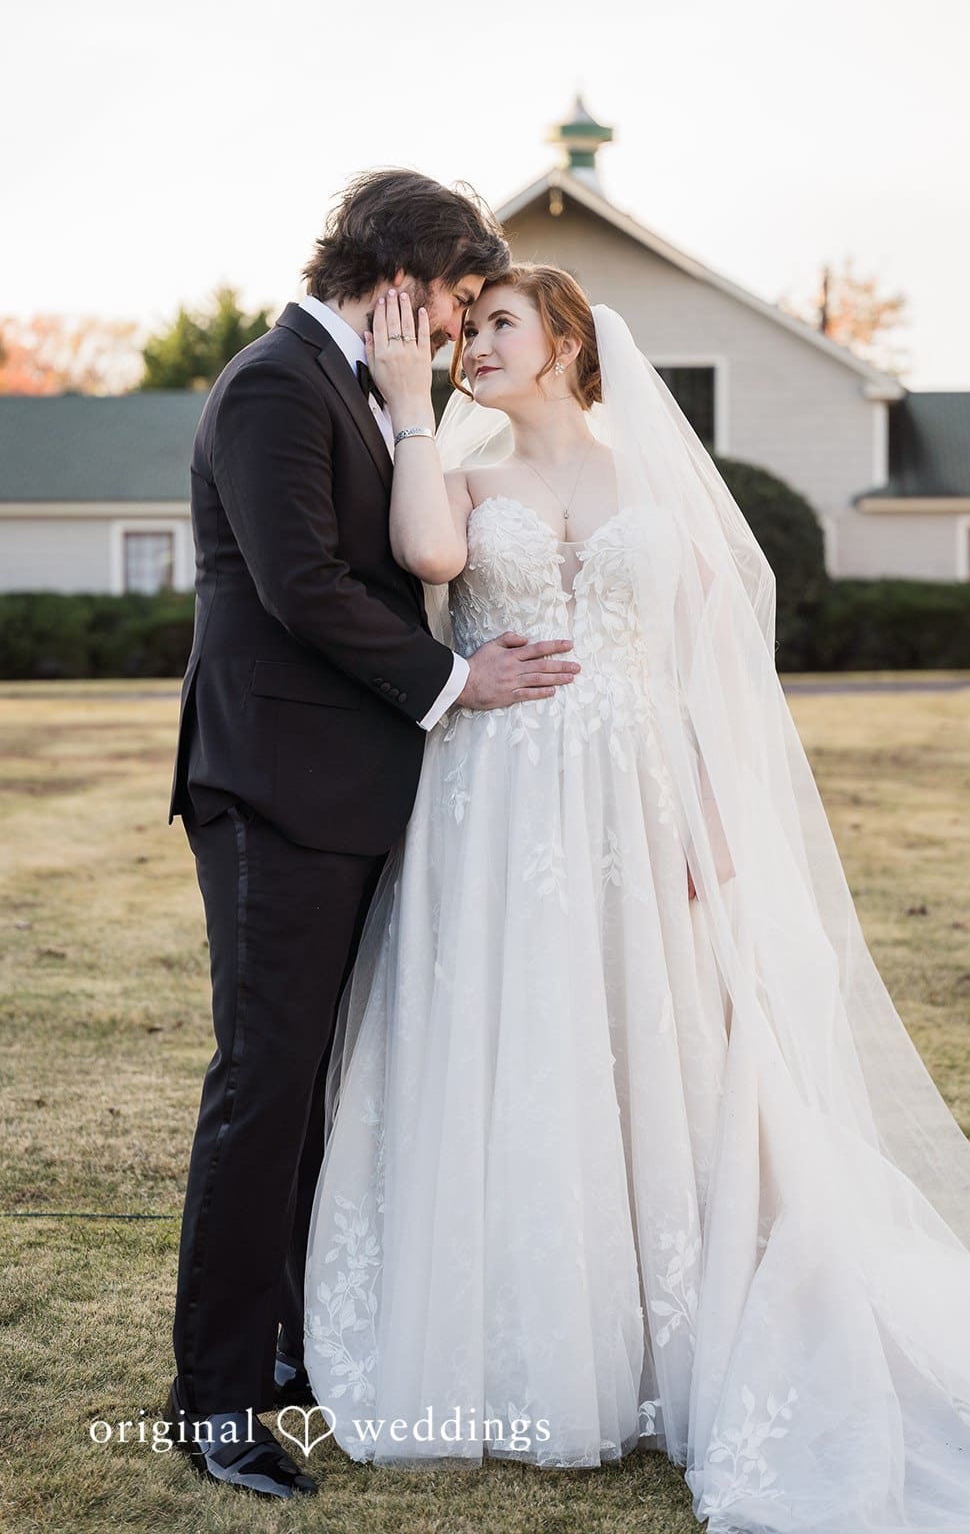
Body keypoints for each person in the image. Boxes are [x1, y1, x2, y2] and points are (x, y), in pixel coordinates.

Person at [304, 265, 970, 1531]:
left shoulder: (655, 485)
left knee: (650, 1035)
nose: (470, 343)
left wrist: (709, 810)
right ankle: (529, 1330)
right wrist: (409, 409)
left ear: (567, 343)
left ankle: (670, 1319)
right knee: (520, 1032)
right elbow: (428, 554)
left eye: (497, 325)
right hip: (497, 799)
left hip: (636, 792)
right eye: (466, 328)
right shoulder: (460, 474)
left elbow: (706, 663)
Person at [164, 177, 582, 1500]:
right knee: (262, 1086)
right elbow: (301, 586)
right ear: (402, 273)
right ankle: (211, 1400)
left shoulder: (358, 387)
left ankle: (286, 1343)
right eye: (458, 293)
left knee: (315, 1090)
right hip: (269, 788)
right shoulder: (274, 384)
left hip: (346, 793)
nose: (460, 321)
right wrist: (456, 683)